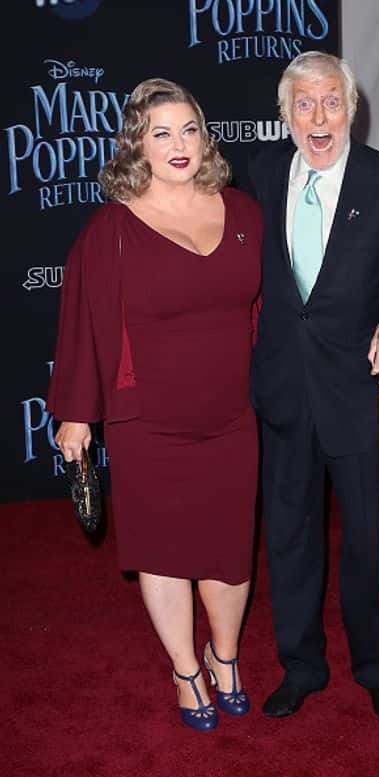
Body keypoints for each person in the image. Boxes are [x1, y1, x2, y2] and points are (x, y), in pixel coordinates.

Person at [47, 78, 262, 732]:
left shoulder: (245, 212)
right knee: (164, 551)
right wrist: (77, 413)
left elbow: (270, 314)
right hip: (149, 421)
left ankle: (223, 656)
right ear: (138, 142)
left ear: (205, 136)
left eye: (189, 128)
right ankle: (184, 668)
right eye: (161, 132)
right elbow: (82, 323)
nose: (178, 144)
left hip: (232, 412)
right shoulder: (111, 228)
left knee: (230, 550)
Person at [248, 51, 379, 722]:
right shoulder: (263, 174)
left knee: (369, 539)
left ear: (352, 109)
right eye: (304, 104)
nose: (319, 117)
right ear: (285, 115)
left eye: (332, 102)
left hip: (363, 393)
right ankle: (301, 666)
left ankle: (378, 666)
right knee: (290, 537)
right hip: (284, 393)